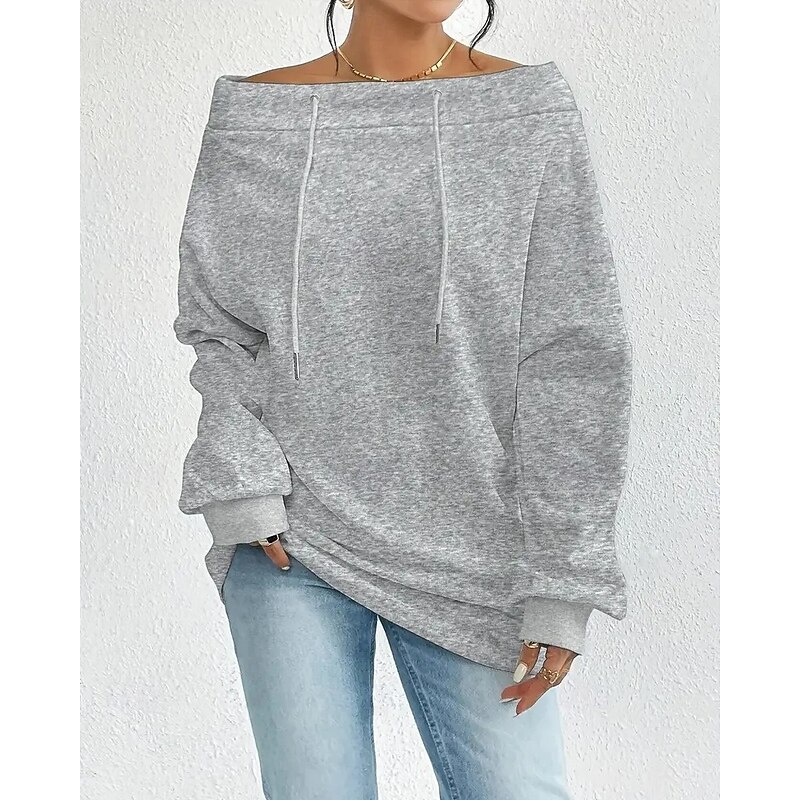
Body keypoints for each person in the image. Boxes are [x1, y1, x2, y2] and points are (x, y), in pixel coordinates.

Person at [173, 1, 632, 797]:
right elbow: (221, 327)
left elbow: (573, 350)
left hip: (479, 548)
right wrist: (242, 484)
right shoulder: (258, 115)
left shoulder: (527, 111)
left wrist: (566, 577)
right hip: (291, 538)